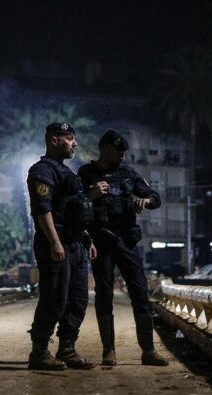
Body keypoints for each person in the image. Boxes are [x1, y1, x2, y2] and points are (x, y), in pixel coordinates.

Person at [78, 129, 169, 367]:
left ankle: (148, 351)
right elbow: (75, 206)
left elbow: (155, 197)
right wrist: (91, 195)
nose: (122, 157)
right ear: (105, 149)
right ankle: (109, 351)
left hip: (127, 242)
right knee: (104, 296)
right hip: (102, 243)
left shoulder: (128, 173)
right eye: (118, 152)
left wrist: (146, 201)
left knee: (140, 294)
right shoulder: (86, 173)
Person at [26, 122, 100, 371]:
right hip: (57, 245)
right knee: (55, 297)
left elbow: (76, 210)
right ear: (53, 140)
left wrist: (87, 239)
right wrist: (55, 242)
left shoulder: (68, 173)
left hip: (76, 244)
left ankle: (67, 349)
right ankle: (39, 352)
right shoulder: (42, 171)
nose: (74, 143)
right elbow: (42, 210)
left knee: (78, 299)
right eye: (69, 138)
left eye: (74, 138)